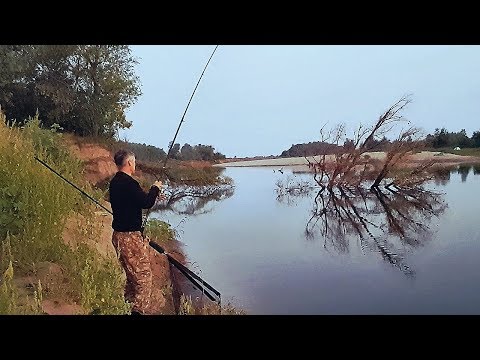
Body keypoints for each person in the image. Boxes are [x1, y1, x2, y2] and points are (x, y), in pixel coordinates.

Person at [109, 150, 163, 315]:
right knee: (144, 280)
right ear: (129, 163)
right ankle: (137, 311)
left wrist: (153, 196)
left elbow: (135, 201)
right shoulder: (129, 183)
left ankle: (126, 308)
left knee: (132, 280)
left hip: (118, 236)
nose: (135, 164)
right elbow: (146, 202)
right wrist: (155, 188)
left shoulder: (115, 182)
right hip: (130, 238)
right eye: (134, 162)